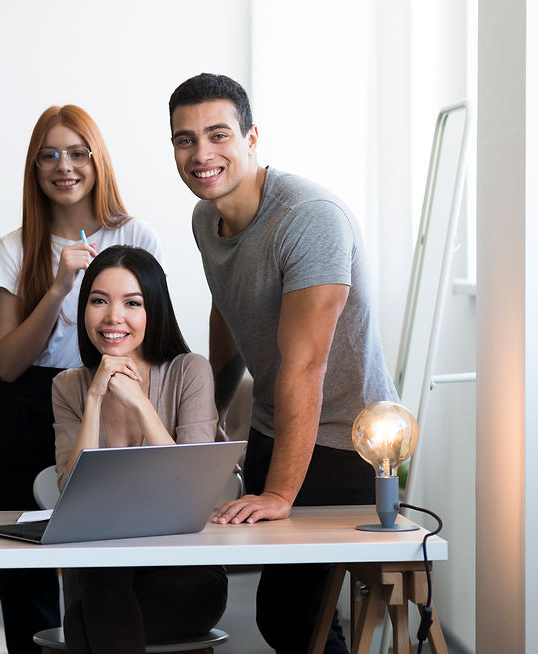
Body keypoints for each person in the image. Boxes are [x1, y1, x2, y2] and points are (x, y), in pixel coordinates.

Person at [168, 73, 399, 653]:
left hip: (346, 441)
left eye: (218, 134)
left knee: (293, 616)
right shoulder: (205, 218)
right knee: (295, 619)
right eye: (185, 139)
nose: (201, 154)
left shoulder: (309, 218)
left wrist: (279, 495)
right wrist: (213, 415)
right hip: (276, 426)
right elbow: (228, 311)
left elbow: (306, 366)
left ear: (251, 138)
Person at [0, 105, 161, 653]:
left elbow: (152, 336)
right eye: (49, 155)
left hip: (101, 399)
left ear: (98, 161)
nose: (65, 166)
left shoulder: (135, 235)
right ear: (34, 168)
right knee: (22, 583)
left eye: (78, 153)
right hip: (23, 410)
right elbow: (7, 363)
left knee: (101, 577)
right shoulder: (14, 247)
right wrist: (58, 288)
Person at [51, 246, 227, 654]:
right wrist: (95, 399)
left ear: (155, 310)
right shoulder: (68, 387)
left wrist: (140, 404)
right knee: (101, 578)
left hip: (183, 571)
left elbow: (191, 492)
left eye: (132, 303)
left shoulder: (189, 371)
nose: (113, 317)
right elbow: (70, 494)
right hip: (101, 572)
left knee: (82, 621)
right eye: (99, 301)